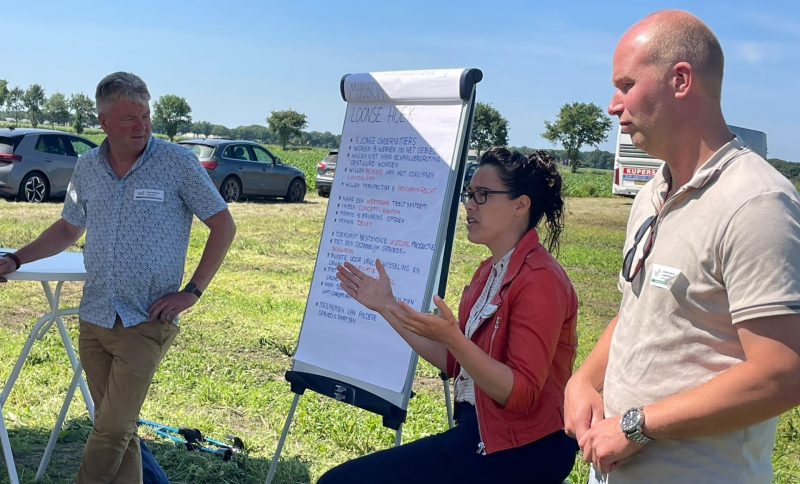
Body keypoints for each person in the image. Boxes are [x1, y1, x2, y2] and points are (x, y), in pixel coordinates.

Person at [564, 10, 800, 484]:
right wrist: (585, 378)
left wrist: (637, 425)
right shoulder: (654, 190)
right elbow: (638, 307)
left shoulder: (756, 202)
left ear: (680, 79)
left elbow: (784, 372)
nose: (613, 105)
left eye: (626, 84)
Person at [0, 72, 236, 483]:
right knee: (120, 431)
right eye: (129, 117)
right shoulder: (88, 166)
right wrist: (17, 259)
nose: (141, 125)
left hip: (145, 320)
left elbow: (223, 225)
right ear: (103, 121)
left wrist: (191, 292)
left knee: (109, 431)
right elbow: (68, 228)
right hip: (94, 317)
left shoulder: (176, 163)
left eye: (145, 115)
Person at [319, 147, 579, 484]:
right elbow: (456, 363)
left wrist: (454, 339)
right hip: (486, 435)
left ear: (520, 204)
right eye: (470, 194)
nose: (469, 205)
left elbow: (520, 393)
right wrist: (387, 306)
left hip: (523, 449)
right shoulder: (489, 271)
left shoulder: (540, 278)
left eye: (482, 195)